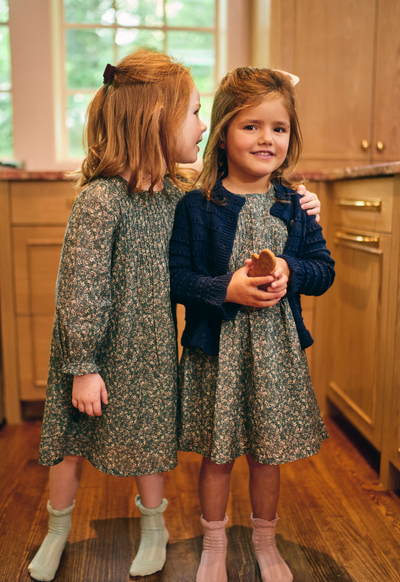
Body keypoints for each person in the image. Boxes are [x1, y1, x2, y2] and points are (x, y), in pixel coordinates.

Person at [28, 49, 320, 582]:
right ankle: (57, 528)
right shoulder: (105, 200)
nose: (203, 125)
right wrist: (83, 364)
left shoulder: (183, 194)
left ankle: (154, 526)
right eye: (192, 113)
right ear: (154, 121)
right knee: (70, 440)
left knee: (151, 440)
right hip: (93, 348)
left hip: (155, 343)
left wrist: (305, 204)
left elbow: (252, 201)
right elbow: (81, 287)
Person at [169, 67, 335, 582]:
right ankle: (214, 544)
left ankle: (267, 542)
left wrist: (290, 267)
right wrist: (226, 289)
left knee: (268, 456)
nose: (267, 138)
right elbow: (177, 278)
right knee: (218, 457)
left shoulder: (295, 204)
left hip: (275, 353)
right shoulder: (196, 206)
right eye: (251, 126)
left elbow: (323, 271)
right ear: (222, 134)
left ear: (291, 136)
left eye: (279, 128)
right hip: (216, 351)